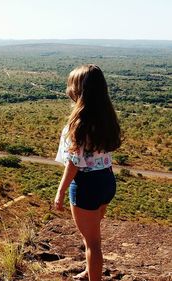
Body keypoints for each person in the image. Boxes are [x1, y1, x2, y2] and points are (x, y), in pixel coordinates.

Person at [54, 64, 121, 281]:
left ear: (79, 91)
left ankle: (94, 276)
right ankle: (88, 270)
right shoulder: (106, 119)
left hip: (86, 186)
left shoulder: (77, 125)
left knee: (93, 243)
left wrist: (60, 191)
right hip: (106, 181)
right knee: (91, 235)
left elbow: (73, 163)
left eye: (71, 86)